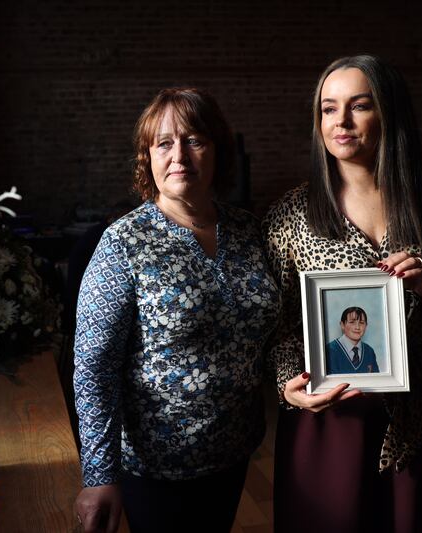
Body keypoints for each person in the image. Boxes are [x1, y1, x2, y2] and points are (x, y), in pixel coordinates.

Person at [263, 55, 422, 532]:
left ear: (389, 113)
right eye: (327, 108)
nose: (340, 122)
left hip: (418, 409)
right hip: (330, 414)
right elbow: (277, 325)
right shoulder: (291, 215)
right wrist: (288, 388)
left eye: (358, 106)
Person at [73, 87, 280, 533]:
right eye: (164, 143)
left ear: (218, 151)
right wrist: (99, 475)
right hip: (156, 469)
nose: (179, 155)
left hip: (236, 450)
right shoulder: (122, 244)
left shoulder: (248, 229)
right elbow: (94, 368)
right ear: (147, 158)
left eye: (195, 140)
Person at [325, 306, 380, 374]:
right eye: (352, 322)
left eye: (361, 323)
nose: (357, 327)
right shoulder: (330, 350)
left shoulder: (369, 351)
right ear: (342, 325)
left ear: (366, 326)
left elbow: (376, 381)